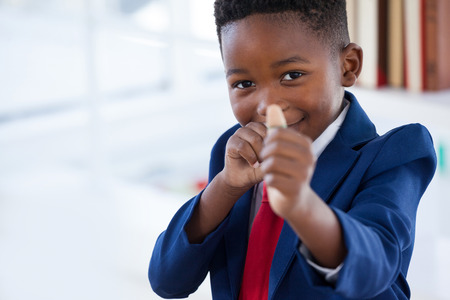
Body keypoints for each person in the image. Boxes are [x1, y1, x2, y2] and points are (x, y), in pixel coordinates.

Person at [149, 0, 437, 299]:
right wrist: (225, 186)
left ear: (347, 66)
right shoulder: (232, 150)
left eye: (292, 75)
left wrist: (301, 205)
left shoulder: (395, 153)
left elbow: (372, 270)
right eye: (244, 83)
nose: (267, 106)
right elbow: (167, 280)